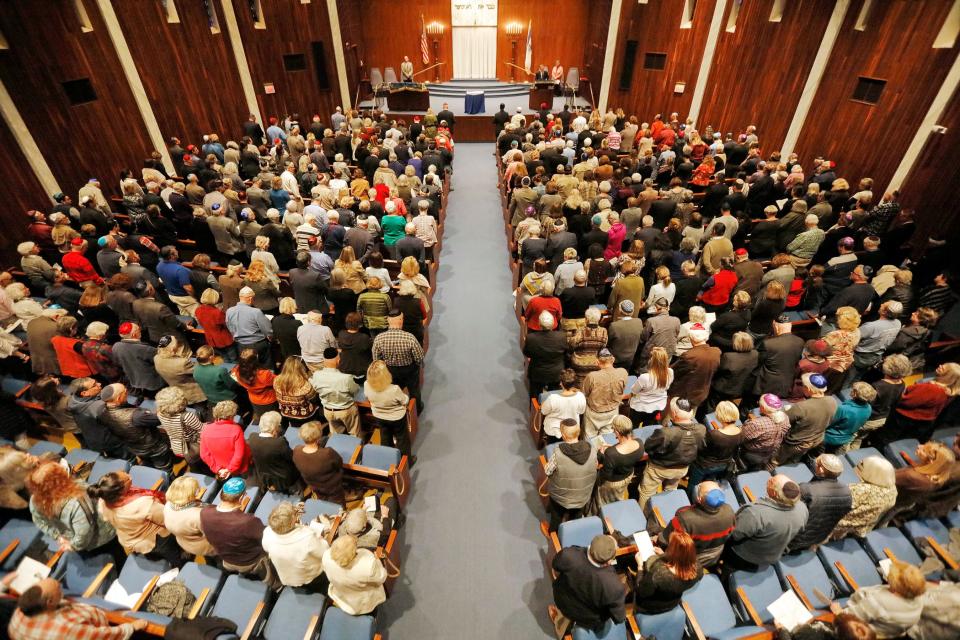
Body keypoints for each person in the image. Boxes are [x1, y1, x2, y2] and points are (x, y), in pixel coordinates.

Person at [87, 471, 181, 566]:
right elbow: (167, 519)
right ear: (120, 490)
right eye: (127, 478)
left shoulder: (103, 501)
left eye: (125, 473)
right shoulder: (142, 504)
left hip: (129, 539)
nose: (129, 475)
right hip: (155, 540)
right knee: (174, 555)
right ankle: (181, 565)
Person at [27, 461, 118, 558]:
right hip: (100, 539)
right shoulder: (77, 500)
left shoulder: (35, 500)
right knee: (117, 560)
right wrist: (71, 544)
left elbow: (40, 521)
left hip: (75, 540)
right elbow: (84, 534)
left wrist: (59, 537)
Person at [8, 577, 149, 639]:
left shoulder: (20, 612)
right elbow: (105, 636)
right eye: (57, 587)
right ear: (49, 602)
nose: (59, 584)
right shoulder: (67, 630)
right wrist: (132, 627)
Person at [200, 477, 278, 588]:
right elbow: (266, 537)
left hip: (227, 560)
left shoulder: (205, 513)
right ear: (242, 497)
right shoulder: (247, 521)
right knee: (271, 580)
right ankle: (275, 590)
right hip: (251, 561)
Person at [722, 475, 809, 573]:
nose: (768, 482)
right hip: (769, 556)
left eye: (771, 483)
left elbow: (734, 534)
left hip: (743, 557)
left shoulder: (756, 513)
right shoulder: (802, 508)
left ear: (774, 493)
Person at [548, 534, 626, 639]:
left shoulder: (569, 554)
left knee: (564, 614)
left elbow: (555, 568)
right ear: (609, 561)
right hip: (588, 618)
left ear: (590, 547)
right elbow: (619, 618)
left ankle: (559, 620)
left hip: (563, 601)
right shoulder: (614, 586)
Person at [638, 398, 706, 511]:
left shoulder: (666, 433)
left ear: (674, 413)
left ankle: (644, 516)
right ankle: (666, 512)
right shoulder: (701, 429)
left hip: (659, 469)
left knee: (646, 492)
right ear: (692, 413)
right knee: (670, 491)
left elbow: (649, 447)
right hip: (682, 469)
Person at [658, 481, 735, 568]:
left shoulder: (684, 518)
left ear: (699, 499)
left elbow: (664, 541)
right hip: (712, 558)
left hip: (687, 560)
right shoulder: (729, 511)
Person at [841, 561, 926, 639]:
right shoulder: (919, 601)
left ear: (896, 587)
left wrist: (838, 611)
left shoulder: (879, 601)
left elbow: (849, 617)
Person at [98, 383, 174, 471]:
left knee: (148, 464)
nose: (127, 393)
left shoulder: (101, 411)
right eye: (125, 392)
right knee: (164, 468)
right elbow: (160, 419)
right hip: (154, 448)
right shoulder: (137, 416)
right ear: (119, 398)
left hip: (134, 447)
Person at [788, 453, 854, 552]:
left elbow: (789, 512)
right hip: (819, 537)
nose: (814, 464)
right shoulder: (847, 493)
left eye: (816, 463)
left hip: (795, 538)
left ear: (821, 470)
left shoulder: (806, 489)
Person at [262, 501, 330, 591]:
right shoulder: (307, 538)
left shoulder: (267, 532)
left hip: (289, 578)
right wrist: (321, 539)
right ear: (290, 523)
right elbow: (324, 552)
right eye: (294, 516)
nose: (296, 516)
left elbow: (266, 548)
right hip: (311, 578)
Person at [544, 419, 598, 532]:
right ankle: (571, 535)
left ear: (563, 435)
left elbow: (548, 471)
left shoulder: (557, 453)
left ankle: (553, 535)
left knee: (556, 518)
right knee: (576, 518)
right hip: (582, 496)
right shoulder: (592, 450)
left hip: (560, 497)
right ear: (578, 432)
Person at [886, 441, 955, 526]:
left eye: (924, 450)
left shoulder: (912, 477)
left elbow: (886, 479)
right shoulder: (936, 478)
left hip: (886, 503)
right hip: (897, 504)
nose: (919, 446)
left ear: (930, 461)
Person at [633, 530, 702, 615]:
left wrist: (639, 566)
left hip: (650, 607)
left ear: (673, 551)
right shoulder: (697, 568)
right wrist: (664, 555)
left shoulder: (659, 573)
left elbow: (641, 591)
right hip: (673, 603)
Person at [831, 455, 898, 540]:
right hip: (862, 527)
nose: (857, 466)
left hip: (838, 524)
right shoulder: (893, 490)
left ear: (872, 473)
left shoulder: (860, 490)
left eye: (861, 465)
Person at [776, 374, 837, 465]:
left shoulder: (802, 407)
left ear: (809, 389)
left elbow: (783, 419)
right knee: (794, 460)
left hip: (796, 443)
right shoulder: (832, 401)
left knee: (775, 461)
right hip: (816, 440)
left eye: (803, 386)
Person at [372, 310, 424, 412]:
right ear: (401, 320)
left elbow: (376, 359)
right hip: (409, 370)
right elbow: (419, 357)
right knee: (414, 391)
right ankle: (417, 408)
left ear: (388, 320)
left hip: (390, 371)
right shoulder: (409, 337)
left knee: (393, 391)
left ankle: (398, 409)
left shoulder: (379, 338)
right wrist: (416, 366)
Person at [322, 534, 388, 615]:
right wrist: (377, 560)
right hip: (362, 604)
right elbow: (382, 578)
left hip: (340, 595)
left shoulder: (326, 556)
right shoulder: (367, 564)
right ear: (353, 552)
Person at [687, 401, 742, 497]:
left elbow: (701, 448)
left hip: (704, 465)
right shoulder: (741, 431)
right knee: (710, 481)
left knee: (693, 484)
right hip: (723, 464)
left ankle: (690, 498)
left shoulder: (715, 434)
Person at [591, 415, 643, 511]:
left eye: (613, 429)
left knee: (603, 503)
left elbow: (605, 475)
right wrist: (614, 448)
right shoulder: (639, 443)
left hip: (612, 482)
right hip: (628, 476)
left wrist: (601, 454)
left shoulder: (611, 454)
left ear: (617, 432)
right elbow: (627, 456)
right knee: (618, 498)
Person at [364, 360, 414, 461]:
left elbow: (367, 397)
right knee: (402, 439)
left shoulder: (366, 385)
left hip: (379, 417)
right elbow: (405, 400)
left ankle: (388, 460)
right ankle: (407, 462)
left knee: (385, 438)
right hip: (397, 418)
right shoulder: (394, 389)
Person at [311, 347, 361, 436]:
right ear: (338, 361)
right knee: (354, 435)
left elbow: (315, 388)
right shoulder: (345, 378)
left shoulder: (316, 375)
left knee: (335, 436)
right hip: (346, 410)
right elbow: (355, 390)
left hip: (328, 411)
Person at [293, 420, 345, 505]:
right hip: (333, 488)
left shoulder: (296, 450)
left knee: (323, 502)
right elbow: (339, 463)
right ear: (318, 436)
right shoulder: (327, 453)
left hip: (314, 486)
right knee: (339, 508)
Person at [163, 475, 216, 558]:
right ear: (189, 495)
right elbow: (214, 535)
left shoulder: (168, 504)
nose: (198, 491)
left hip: (186, 543)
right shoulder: (198, 515)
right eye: (196, 490)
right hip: (205, 547)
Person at [154, 386, 205, 473]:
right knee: (201, 466)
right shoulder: (187, 416)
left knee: (192, 464)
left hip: (176, 446)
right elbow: (202, 430)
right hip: (192, 447)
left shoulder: (159, 414)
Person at [247, 411, 301, 493]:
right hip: (284, 478)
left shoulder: (252, 437)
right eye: (279, 425)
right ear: (276, 428)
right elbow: (291, 457)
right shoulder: (279, 443)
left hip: (264, 477)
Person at [199, 400, 252, 480]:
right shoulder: (236, 429)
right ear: (231, 416)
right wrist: (229, 469)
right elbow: (239, 454)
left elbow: (204, 454)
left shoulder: (206, 429)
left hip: (222, 467)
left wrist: (218, 469)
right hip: (240, 467)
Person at [581, 349, 627, 438]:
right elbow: (621, 391)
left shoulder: (592, 376)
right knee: (606, 440)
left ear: (597, 362)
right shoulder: (623, 372)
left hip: (593, 413)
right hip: (612, 412)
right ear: (613, 360)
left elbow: (584, 393)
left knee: (589, 440)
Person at [225, 287, 273, 367]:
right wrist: (270, 337)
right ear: (250, 299)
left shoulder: (229, 311)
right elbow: (268, 330)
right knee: (266, 366)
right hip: (257, 345)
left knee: (247, 367)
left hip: (240, 345)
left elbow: (230, 327)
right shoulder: (256, 312)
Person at [154, 334, 207, 405]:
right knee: (201, 409)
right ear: (173, 349)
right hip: (195, 394)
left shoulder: (156, 358)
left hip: (178, 391)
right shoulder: (182, 363)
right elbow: (201, 369)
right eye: (177, 344)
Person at [824, 382, 877, 452]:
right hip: (845, 439)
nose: (851, 390)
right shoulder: (869, 408)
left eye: (853, 389)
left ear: (855, 394)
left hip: (830, 438)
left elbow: (828, 423)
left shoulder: (844, 409)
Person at [628, 347, 673, 426]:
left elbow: (634, 391)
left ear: (651, 361)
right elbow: (667, 387)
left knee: (633, 426)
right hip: (657, 406)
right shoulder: (670, 372)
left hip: (640, 407)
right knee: (649, 425)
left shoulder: (645, 377)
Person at [232, 348, 278, 422]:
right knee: (274, 420)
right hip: (269, 401)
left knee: (263, 419)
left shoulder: (237, 371)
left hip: (254, 400)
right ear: (256, 358)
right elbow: (278, 381)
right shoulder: (264, 374)